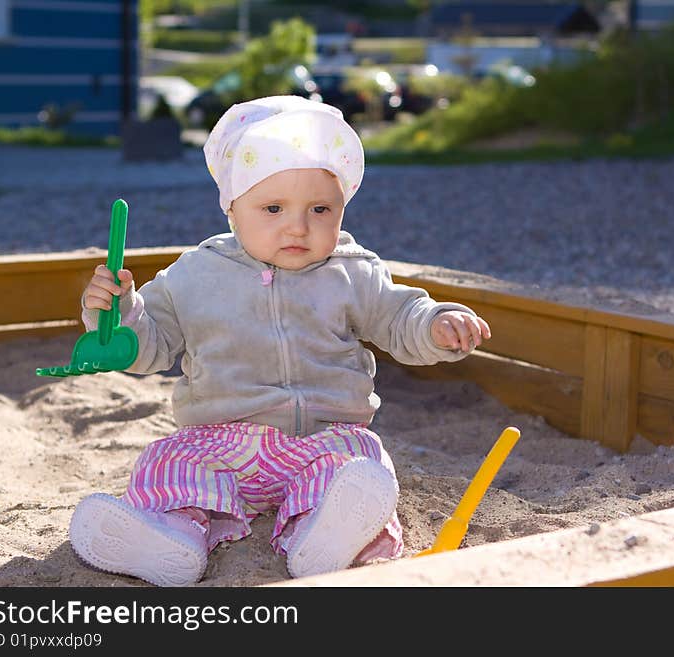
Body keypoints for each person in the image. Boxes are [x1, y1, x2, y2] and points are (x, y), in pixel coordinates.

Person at [67, 95, 491, 587]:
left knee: (361, 461)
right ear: (232, 208)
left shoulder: (353, 271)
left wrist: (436, 322)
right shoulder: (195, 274)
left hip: (321, 438)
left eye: (320, 208)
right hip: (220, 440)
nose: (298, 225)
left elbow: (400, 316)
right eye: (273, 207)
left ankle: (324, 538)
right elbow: (152, 344)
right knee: (168, 460)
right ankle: (170, 540)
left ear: (342, 208)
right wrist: (118, 317)